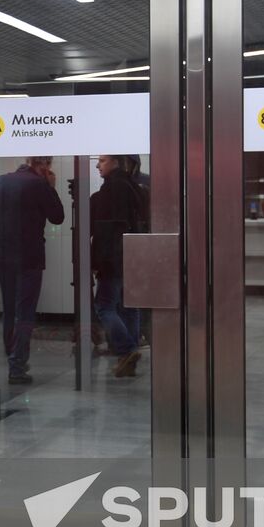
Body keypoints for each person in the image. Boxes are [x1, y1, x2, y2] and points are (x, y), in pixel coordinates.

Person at [0, 156, 65, 385]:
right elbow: (58, 217)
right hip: (29, 257)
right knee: (24, 312)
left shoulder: (0, 181)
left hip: (3, 255)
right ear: (44, 164)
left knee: (9, 309)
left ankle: (11, 355)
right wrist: (51, 187)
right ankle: (16, 365)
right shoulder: (39, 184)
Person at [91, 154, 144, 377]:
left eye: (102, 160)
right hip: (132, 256)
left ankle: (127, 349)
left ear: (116, 162)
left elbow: (105, 231)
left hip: (112, 258)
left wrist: (96, 261)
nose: (97, 165)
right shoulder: (135, 187)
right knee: (129, 306)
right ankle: (129, 358)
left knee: (104, 306)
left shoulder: (110, 190)